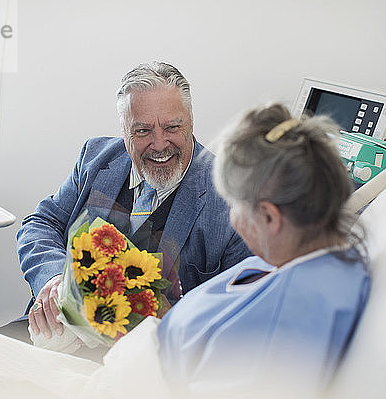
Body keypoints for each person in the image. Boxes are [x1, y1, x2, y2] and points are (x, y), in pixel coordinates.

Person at [0, 62, 251, 348]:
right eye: (142, 131)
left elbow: (240, 311)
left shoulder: (231, 197)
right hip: (54, 333)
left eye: (172, 127)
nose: (159, 143)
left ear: (191, 121)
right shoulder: (95, 157)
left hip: (151, 362)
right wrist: (53, 278)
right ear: (124, 129)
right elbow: (42, 223)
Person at [157, 104, 371, 398]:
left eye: (233, 204)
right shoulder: (303, 259)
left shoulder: (284, 324)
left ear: (270, 217)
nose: (231, 219)